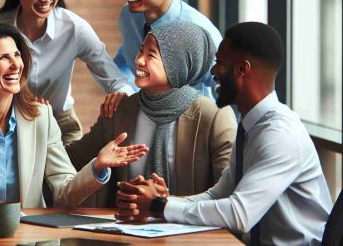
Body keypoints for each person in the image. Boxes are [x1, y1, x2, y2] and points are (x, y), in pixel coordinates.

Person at [115, 22, 333, 245]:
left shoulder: (279, 134)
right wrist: (161, 201)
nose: (212, 72)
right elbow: (218, 195)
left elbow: (239, 214)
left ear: (242, 69)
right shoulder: (251, 126)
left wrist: (158, 205)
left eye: (219, 63)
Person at [0, 23, 148, 208]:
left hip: (29, 237)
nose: (16, 65)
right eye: (4, 58)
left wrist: (97, 165)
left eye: (17, 55)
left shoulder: (41, 118)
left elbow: (64, 193)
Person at [66, 20, 234, 207]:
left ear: (177, 64)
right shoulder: (121, 109)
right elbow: (71, 160)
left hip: (191, 231)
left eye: (151, 55)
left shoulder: (214, 116)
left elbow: (227, 195)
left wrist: (162, 204)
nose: (138, 60)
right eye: (141, 50)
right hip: (124, 231)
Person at [0, 0, 135, 144]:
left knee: (74, 174)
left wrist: (120, 94)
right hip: (6, 124)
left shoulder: (73, 28)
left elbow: (116, 79)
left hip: (61, 125)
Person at [111, 0, 222, 106]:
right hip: (148, 117)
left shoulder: (198, 30)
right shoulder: (128, 16)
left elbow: (227, 85)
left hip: (193, 124)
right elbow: (126, 57)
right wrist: (123, 89)